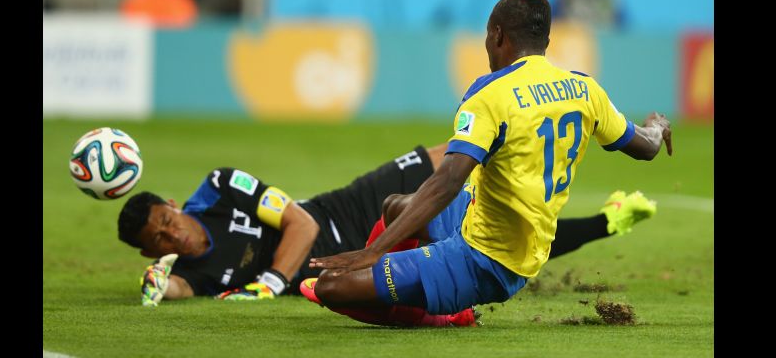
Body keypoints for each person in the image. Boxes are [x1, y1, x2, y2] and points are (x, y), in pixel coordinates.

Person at [304, 0, 672, 328]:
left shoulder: (490, 93)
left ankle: (449, 315)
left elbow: (447, 182)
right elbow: (646, 146)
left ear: (497, 35)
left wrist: (372, 253)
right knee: (396, 206)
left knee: (331, 287)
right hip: (504, 232)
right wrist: (656, 125)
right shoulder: (584, 88)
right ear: (546, 41)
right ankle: (410, 278)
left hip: (485, 259)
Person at [118, 143, 656, 309]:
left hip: (347, 209)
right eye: (159, 241)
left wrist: (270, 283)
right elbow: (181, 288)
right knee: (492, 249)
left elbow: (300, 223)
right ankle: (607, 221)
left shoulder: (218, 189)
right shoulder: (192, 268)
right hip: (351, 256)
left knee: (447, 153)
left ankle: (532, 180)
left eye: (167, 221)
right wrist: (159, 285)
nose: (172, 236)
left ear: (173, 203)